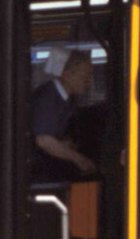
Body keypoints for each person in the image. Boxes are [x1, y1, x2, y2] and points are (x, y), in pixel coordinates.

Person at [31, 48, 96, 181]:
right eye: (85, 77)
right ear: (67, 75)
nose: (89, 82)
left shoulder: (67, 99)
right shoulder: (47, 98)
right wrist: (80, 160)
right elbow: (44, 140)